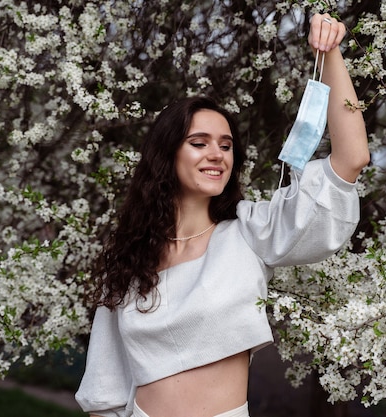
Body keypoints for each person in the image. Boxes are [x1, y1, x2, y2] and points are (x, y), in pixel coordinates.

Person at [75, 13, 369, 417]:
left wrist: (331, 52)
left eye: (226, 145)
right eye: (199, 142)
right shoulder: (129, 257)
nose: (216, 154)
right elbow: (103, 387)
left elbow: (351, 159)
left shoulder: (249, 232)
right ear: (168, 154)